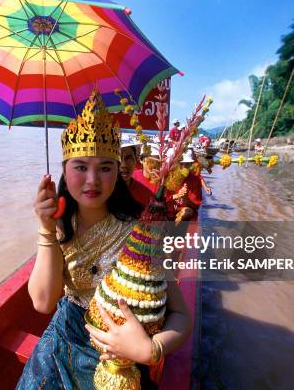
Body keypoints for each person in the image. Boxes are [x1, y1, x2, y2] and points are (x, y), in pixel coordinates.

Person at [17, 90, 191, 389]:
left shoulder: (140, 236)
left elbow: (181, 315)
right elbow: (44, 302)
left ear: (119, 172)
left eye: (105, 168)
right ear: (64, 170)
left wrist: (152, 350)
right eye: (81, 166)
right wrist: (47, 229)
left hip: (119, 356)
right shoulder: (61, 225)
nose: (92, 181)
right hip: (61, 343)